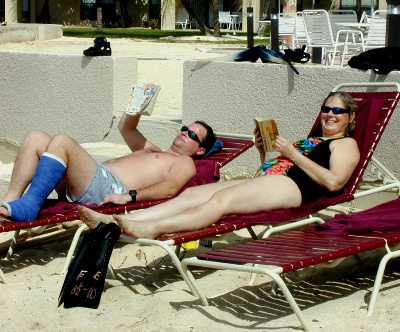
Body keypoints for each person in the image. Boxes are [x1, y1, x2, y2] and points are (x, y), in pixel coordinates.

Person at [79, 92, 360, 239]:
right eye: (326, 108)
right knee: (191, 195)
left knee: (221, 200)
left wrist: (294, 155)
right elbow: (272, 169)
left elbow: (335, 182)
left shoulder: (345, 145)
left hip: (296, 188)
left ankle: (153, 228)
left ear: (350, 118)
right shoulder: (311, 140)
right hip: (274, 180)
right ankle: (122, 221)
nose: (330, 114)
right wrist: (267, 151)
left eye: (338, 111)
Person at [0, 107, 216, 221]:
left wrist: (129, 196)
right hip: (93, 179)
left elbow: (169, 189)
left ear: (200, 150)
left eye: (192, 136)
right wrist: (138, 103)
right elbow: (126, 128)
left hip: (109, 188)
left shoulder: (185, 163)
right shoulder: (153, 149)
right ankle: (10, 200)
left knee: (63, 142)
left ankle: (29, 205)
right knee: (35, 138)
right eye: (185, 129)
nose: (184, 134)